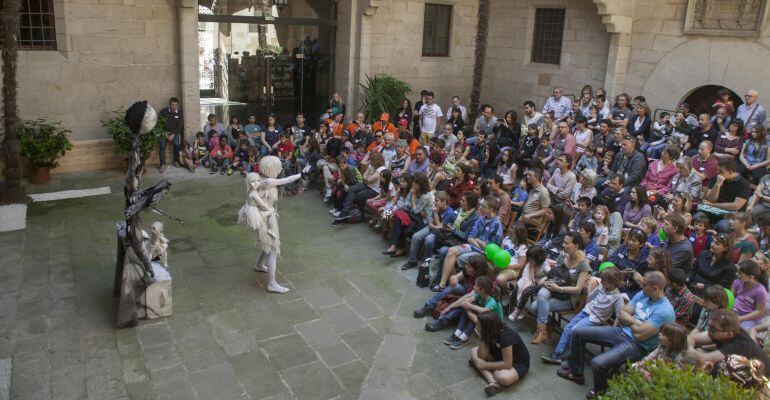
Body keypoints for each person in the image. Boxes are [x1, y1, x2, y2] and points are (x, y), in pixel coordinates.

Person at [558, 271, 674, 399]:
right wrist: (637, 322)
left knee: (597, 363)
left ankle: (600, 392)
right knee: (577, 332)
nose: (641, 285)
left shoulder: (664, 311)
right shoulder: (643, 294)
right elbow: (621, 313)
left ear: (654, 288)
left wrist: (629, 320)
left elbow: (641, 336)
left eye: (644, 284)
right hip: (621, 331)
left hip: (637, 345)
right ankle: (576, 373)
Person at [237, 158, 302, 293]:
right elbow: (287, 180)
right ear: (271, 169)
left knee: (267, 242)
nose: (280, 170)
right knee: (273, 248)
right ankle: (272, 283)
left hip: (265, 215)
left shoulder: (260, 179)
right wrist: (300, 174)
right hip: (264, 217)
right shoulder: (268, 181)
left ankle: (259, 264)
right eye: (278, 168)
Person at [542, 266, 625, 364]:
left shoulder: (618, 297)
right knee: (568, 328)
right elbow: (590, 297)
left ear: (612, 282)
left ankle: (571, 359)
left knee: (574, 331)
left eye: (604, 280)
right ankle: (556, 354)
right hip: (586, 311)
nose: (601, 281)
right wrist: (586, 291)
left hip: (595, 319)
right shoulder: (602, 286)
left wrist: (613, 328)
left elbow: (620, 315)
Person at [529, 233, 591, 344]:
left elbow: (578, 289)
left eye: (566, 243)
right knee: (541, 295)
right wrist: (546, 279)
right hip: (555, 288)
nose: (563, 245)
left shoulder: (583, 264)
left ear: (576, 246)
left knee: (535, 306)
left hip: (568, 297)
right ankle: (543, 332)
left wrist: (559, 289)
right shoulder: (563, 255)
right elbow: (556, 274)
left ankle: (545, 328)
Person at [688, 310, 770, 377]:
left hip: (758, 380)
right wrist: (694, 351)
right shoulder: (721, 332)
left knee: (704, 367)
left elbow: (702, 359)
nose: (709, 330)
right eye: (710, 326)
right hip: (736, 370)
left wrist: (696, 352)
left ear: (729, 334)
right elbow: (691, 338)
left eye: (713, 328)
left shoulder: (739, 345)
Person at [470, 311, 530, 397]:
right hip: (498, 355)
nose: (476, 328)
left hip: (516, 363)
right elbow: (481, 356)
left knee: (502, 377)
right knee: (474, 351)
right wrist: (482, 337)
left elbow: (508, 364)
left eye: (479, 326)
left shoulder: (506, 336)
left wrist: (485, 365)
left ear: (487, 328)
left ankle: (491, 373)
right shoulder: (489, 332)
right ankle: (493, 382)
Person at [442, 276, 503, 350]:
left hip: (494, 326)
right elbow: (467, 301)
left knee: (474, 313)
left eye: (476, 285)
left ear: (482, 290)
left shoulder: (492, 301)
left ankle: (464, 338)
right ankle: (457, 334)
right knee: (469, 310)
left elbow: (483, 311)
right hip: (486, 320)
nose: (473, 286)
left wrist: (468, 307)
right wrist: (467, 305)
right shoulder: (479, 295)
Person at [332, 152, 387, 226]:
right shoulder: (372, 165)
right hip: (366, 185)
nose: (371, 161)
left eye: (372, 159)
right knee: (351, 189)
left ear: (377, 160)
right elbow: (363, 176)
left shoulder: (381, 169)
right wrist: (367, 179)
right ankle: (344, 212)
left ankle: (356, 215)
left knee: (357, 195)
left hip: (375, 190)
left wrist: (367, 178)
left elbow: (369, 179)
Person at [703, 159, 752, 231]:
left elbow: (736, 206)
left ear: (730, 172)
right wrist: (717, 185)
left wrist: (713, 205)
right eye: (718, 170)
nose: (717, 172)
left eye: (720, 171)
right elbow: (710, 199)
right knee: (697, 217)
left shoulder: (744, 184)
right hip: (713, 212)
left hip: (731, 215)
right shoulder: (716, 178)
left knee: (722, 226)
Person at [731, 260, 768, 331]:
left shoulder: (760, 291)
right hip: (735, 312)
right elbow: (731, 297)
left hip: (749, 318)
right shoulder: (738, 282)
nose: (736, 274)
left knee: (741, 331)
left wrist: (741, 318)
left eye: (739, 273)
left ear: (751, 277)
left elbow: (759, 312)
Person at [157, 97, 183, 173]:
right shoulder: (163, 111)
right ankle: (162, 164)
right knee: (162, 146)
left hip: (174, 133)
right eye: (173, 104)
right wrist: (164, 133)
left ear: (177, 105)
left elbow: (180, 126)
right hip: (164, 132)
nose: (174, 106)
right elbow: (159, 123)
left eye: (176, 105)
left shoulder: (179, 112)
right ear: (170, 104)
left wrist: (173, 135)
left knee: (177, 145)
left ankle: (176, 161)